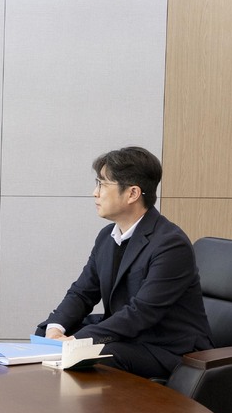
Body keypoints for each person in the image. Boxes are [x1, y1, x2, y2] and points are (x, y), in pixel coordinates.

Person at [36, 146, 212, 380]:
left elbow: (142, 312)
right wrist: (56, 330)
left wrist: (77, 341)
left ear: (132, 194)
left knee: (96, 354)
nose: (95, 193)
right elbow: (82, 293)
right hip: (129, 337)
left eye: (102, 184)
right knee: (45, 332)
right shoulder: (107, 237)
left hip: (167, 347)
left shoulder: (171, 244)